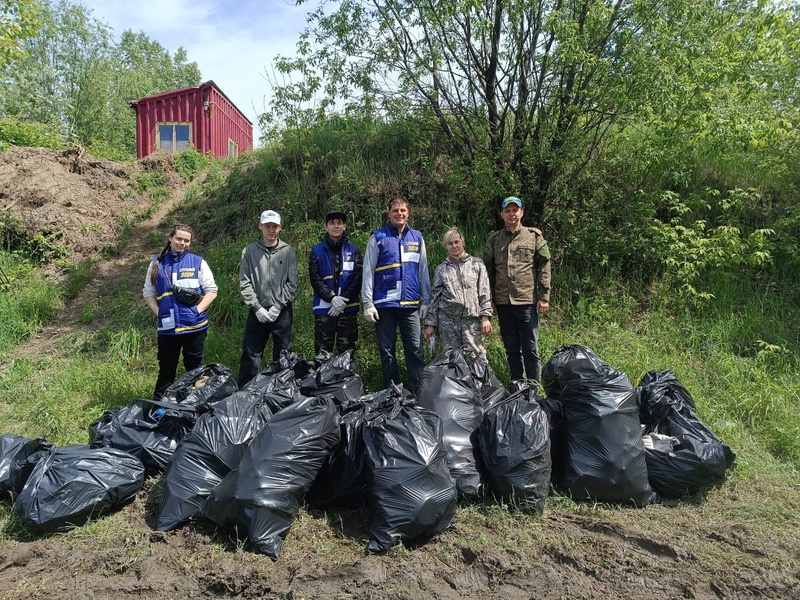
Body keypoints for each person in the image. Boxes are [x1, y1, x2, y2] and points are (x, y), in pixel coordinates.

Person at [362, 196, 430, 392]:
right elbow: (368, 271)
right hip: (384, 306)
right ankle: (393, 394)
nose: (399, 214)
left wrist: (426, 300)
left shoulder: (417, 237)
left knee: (416, 350)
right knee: (387, 351)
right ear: (389, 213)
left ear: (408, 213)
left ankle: (419, 392)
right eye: (395, 211)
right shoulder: (378, 237)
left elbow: (422, 270)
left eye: (403, 211)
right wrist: (368, 303)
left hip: (410, 305)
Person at [143, 223, 218, 400]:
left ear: (190, 243)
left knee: (195, 370)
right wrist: (159, 313)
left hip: (195, 327)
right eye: (179, 238)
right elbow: (148, 292)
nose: (182, 243)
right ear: (170, 238)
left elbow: (212, 290)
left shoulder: (198, 262)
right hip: (168, 330)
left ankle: (195, 407)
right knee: (166, 371)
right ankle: (159, 410)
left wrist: (197, 311)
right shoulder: (156, 264)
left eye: (186, 240)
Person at [483, 196, 552, 382]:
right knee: (511, 348)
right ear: (502, 214)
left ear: (521, 212)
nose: (512, 214)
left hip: (527, 300)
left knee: (531, 348)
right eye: (508, 211)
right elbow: (486, 272)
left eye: (515, 210)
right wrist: (489, 301)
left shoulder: (534, 236)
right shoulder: (494, 240)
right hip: (503, 302)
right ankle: (517, 386)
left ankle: (534, 389)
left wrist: (544, 296)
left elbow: (544, 266)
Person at [237, 209, 299, 387]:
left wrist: (278, 306)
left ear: (280, 228)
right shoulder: (249, 251)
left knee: (282, 355)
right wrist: (257, 308)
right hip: (258, 311)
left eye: (274, 226)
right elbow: (245, 282)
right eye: (267, 226)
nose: (271, 230)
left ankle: (279, 393)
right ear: (260, 226)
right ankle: (245, 394)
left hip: (282, 312)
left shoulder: (288, 251)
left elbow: (292, 282)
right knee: (251, 355)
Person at [423, 227, 493, 356]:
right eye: (450, 243)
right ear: (445, 246)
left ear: (462, 242)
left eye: (456, 242)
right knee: (451, 360)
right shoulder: (441, 269)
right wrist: (430, 324)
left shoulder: (476, 264)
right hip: (448, 322)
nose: (454, 246)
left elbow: (485, 291)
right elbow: (434, 299)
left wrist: (485, 317)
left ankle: (479, 377)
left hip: (471, 320)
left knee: (477, 358)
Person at [308, 210, 363, 356]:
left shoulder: (354, 251)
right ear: (326, 227)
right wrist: (332, 298)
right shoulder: (316, 251)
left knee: (347, 353)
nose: (336, 226)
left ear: (344, 226)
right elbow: (315, 278)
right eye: (332, 223)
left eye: (339, 223)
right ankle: (322, 379)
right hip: (324, 310)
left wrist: (343, 300)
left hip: (348, 309)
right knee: (322, 353)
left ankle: (346, 379)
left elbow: (357, 278)